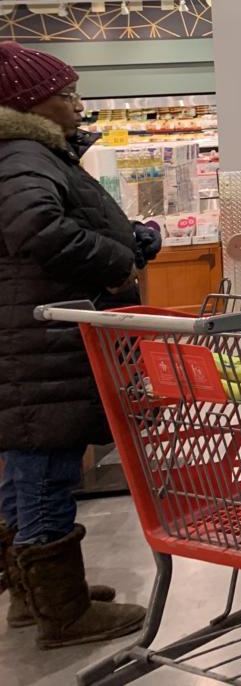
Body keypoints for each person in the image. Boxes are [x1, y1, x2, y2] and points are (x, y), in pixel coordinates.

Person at [0, 43, 148, 648]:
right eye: (66, 93)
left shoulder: (25, 155)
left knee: (27, 471)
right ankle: (62, 613)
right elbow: (35, 225)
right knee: (45, 470)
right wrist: (116, 263)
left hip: (33, 342)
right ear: (32, 102)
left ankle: (30, 600)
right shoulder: (21, 155)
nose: (76, 103)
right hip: (41, 345)